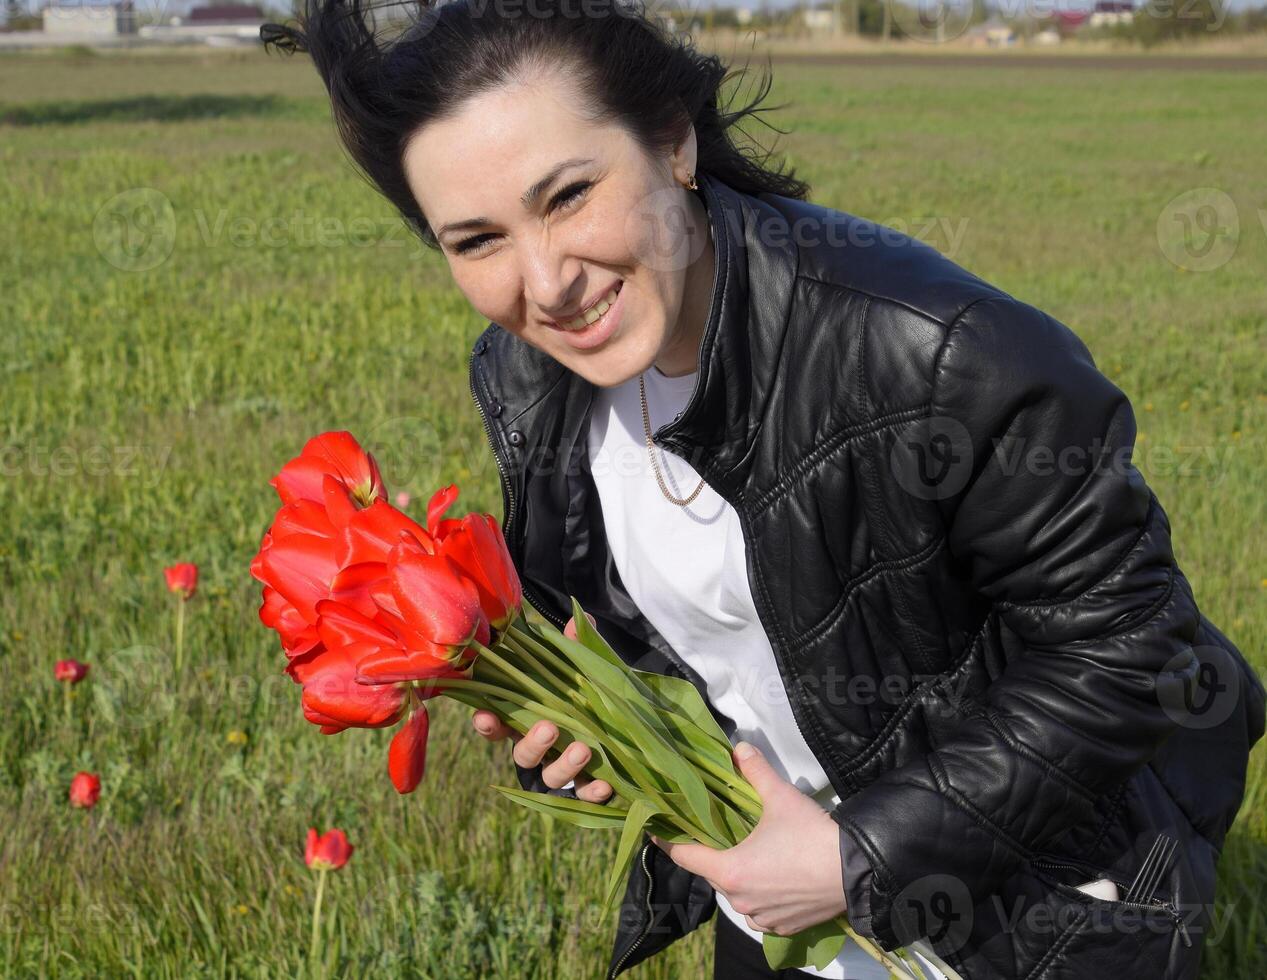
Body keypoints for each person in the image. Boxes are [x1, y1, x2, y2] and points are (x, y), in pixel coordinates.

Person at [261, 2, 1265, 977]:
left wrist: (852, 856)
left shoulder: (935, 353)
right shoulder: (529, 374)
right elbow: (650, 644)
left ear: (672, 144)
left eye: (567, 195)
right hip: (772, 900)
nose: (545, 282)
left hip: (1025, 908)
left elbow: (1136, 652)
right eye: (476, 240)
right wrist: (573, 719)